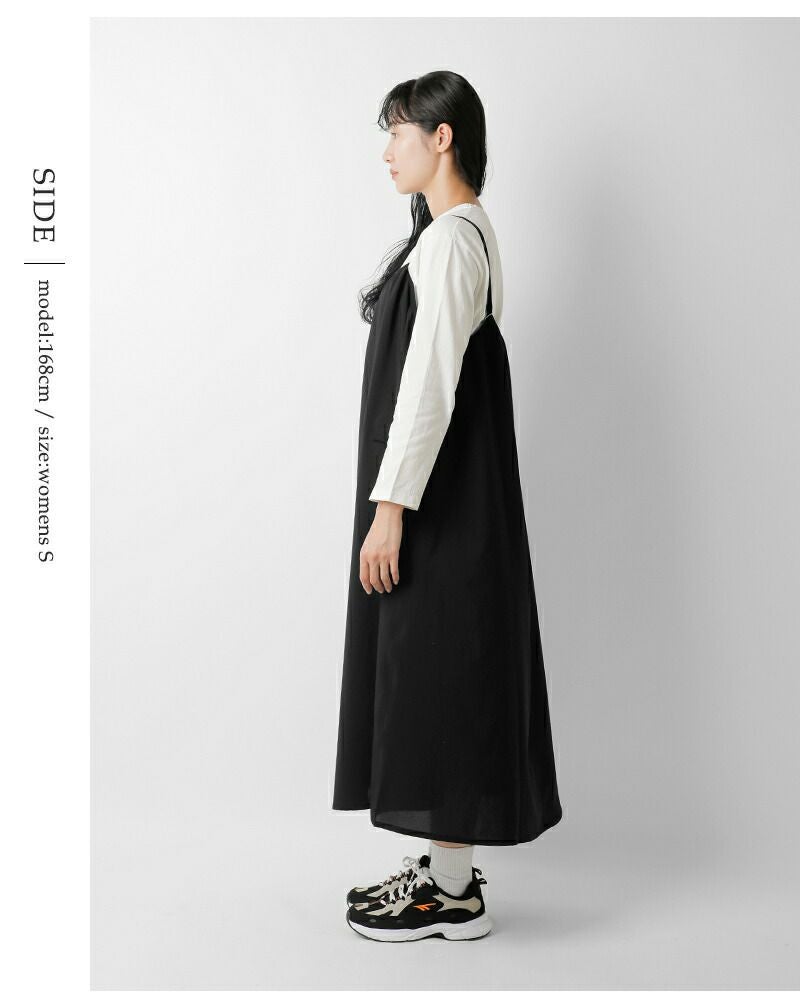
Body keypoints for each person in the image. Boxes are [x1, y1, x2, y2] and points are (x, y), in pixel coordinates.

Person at [332, 70, 563, 943]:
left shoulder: (454, 241)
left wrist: (390, 508)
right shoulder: (448, 237)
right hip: (449, 497)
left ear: (443, 137)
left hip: (441, 504)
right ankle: (446, 875)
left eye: (399, 131)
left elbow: (429, 386)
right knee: (437, 672)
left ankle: (454, 892)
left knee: (443, 675)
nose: (386, 151)